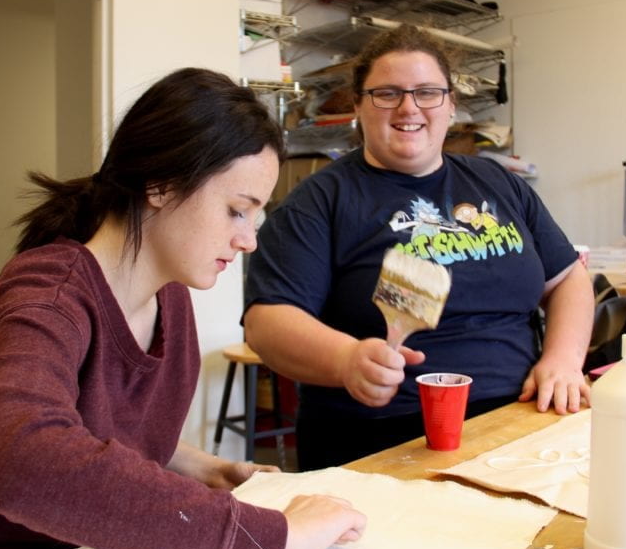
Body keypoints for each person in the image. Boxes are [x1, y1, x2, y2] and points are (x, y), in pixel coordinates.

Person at [0, 68, 366, 549]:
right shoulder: (44, 300)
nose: (248, 242)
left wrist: (200, 468)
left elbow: (100, 425)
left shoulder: (169, 295)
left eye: (254, 219)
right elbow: (21, 463)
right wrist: (271, 539)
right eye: (237, 211)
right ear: (162, 184)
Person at [243, 25, 594, 470]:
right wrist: (346, 359)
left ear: (451, 105)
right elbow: (267, 323)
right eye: (386, 93)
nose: (409, 107)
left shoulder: (498, 183)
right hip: (388, 435)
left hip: (521, 418)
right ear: (357, 105)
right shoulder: (319, 202)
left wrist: (563, 360)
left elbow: (568, 278)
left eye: (428, 92)